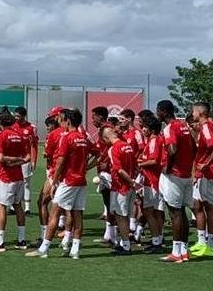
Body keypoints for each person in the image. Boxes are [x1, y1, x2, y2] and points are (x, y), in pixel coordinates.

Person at [26, 108, 92, 259]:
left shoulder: (67, 138)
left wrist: (55, 181)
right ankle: (75, 250)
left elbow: (60, 162)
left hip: (68, 181)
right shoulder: (84, 137)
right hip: (81, 181)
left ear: (68, 121)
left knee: (55, 213)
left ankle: (44, 248)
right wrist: (86, 167)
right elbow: (96, 153)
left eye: (62, 120)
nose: (60, 122)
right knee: (77, 214)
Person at [0, 107, 31, 253]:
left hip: (4, 178)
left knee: (1, 207)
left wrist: (12, 161)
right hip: (18, 177)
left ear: (0, 122)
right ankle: (21, 240)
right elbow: (28, 157)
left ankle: (0, 243)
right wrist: (18, 161)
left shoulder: (0, 136)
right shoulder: (20, 136)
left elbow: (0, 158)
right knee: (18, 206)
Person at [156, 100, 196, 263]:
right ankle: (184, 251)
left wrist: (168, 167)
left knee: (174, 212)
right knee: (182, 212)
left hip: (174, 175)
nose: (157, 114)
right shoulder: (184, 125)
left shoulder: (170, 127)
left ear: (164, 112)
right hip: (186, 174)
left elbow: (172, 149)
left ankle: (175, 252)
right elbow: (194, 147)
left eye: (158, 111)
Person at [189, 102, 213, 258]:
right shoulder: (204, 128)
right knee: (198, 205)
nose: (192, 114)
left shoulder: (207, 127)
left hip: (209, 173)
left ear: (199, 112)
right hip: (203, 174)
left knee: (210, 206)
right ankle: (202, 241)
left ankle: (212, 244)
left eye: (193, 111)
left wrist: (205, 164)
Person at [107, 121, 139, 255]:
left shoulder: (114, 148)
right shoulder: (127, 146)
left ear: (106, 138)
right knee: (124, 215)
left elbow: (119, 170)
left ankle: (126, 245)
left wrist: (131, 182)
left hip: (122, 187)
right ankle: (123, 243)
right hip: (129, 187)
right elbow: (135, 165)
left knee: (120, 216)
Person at [137, 114, 166, 254]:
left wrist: (140, 163)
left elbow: (154, 161)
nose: (143, 129)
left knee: (149, 211)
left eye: (145, 127)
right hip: (155, 180)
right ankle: (158, 238)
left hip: (153, 180)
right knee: (156, 212)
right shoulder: (155, 140)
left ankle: (156, 241)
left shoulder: (154, 140)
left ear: (151, 129)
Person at [37, 107, 65, 244]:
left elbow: (47, 154)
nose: (47, 128)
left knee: (42, 202)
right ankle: (68, 238)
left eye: (50, 124)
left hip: (55, 173)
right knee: (69, 208)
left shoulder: (54, 135)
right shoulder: (73, 132)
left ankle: (44, 236)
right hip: (68, 175)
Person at [90, 106, 115, 245]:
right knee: (108, 202)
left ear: (100, 116)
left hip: (110, 172)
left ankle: (117, 235)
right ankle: (109, 234)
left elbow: (116, 147)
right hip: (103, 172)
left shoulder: (107, 129)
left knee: (112, 203)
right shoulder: (102, 130)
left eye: (93, 117)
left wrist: (110, 163)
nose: (92, 120)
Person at [13, 107, 38, 215]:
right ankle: (13, 206)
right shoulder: (12, 126)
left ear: (23, 116)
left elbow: (34, 145)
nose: (16, 117)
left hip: (25, 159)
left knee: (26, 183)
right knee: (13, 182)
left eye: (18, 116)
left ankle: (27, 207)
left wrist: (33, 160)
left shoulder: (31, 127)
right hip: (14, 159)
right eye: (15, 115)